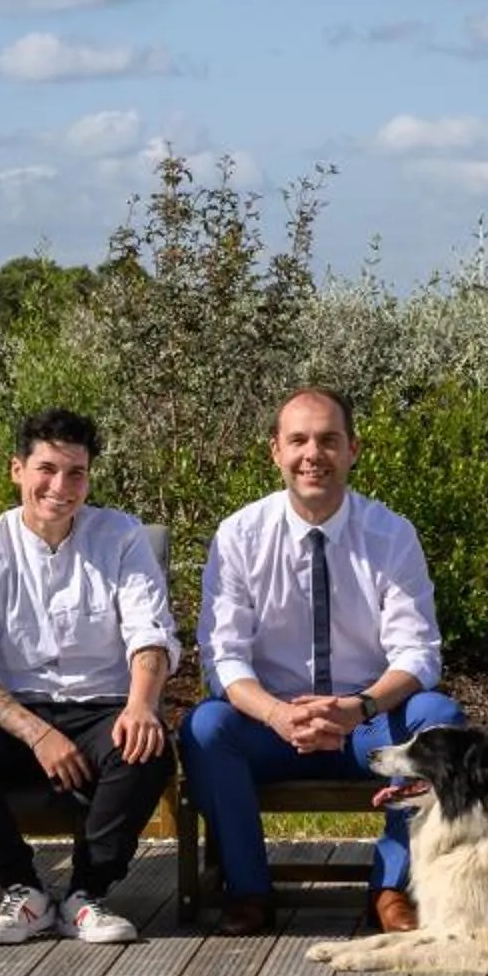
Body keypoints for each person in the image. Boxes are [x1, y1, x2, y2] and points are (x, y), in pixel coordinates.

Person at [181, 388, 463, 936]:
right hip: (272, 725)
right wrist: (276, 715)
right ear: (275, 452)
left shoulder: (391, 534)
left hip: (366, 723)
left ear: (353, 449)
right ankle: (248, 891)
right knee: (206, 727)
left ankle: (391, 888)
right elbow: (223, 657)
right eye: (299, 440)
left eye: (329, 440)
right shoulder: (239, 536)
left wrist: (358, 707)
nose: (314, 454)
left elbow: (418, 653)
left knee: (438, 717)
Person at [0, 407, 177, 947]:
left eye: (75, 473)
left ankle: (87, 894)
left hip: (102, 707)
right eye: (46, 469)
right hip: (15, 715)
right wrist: (39, 734)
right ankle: (23, 889)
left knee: (148, 745)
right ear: (17, 469)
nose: (60, 487)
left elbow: (149, 633)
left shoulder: (122, 539)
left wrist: (140, 706)